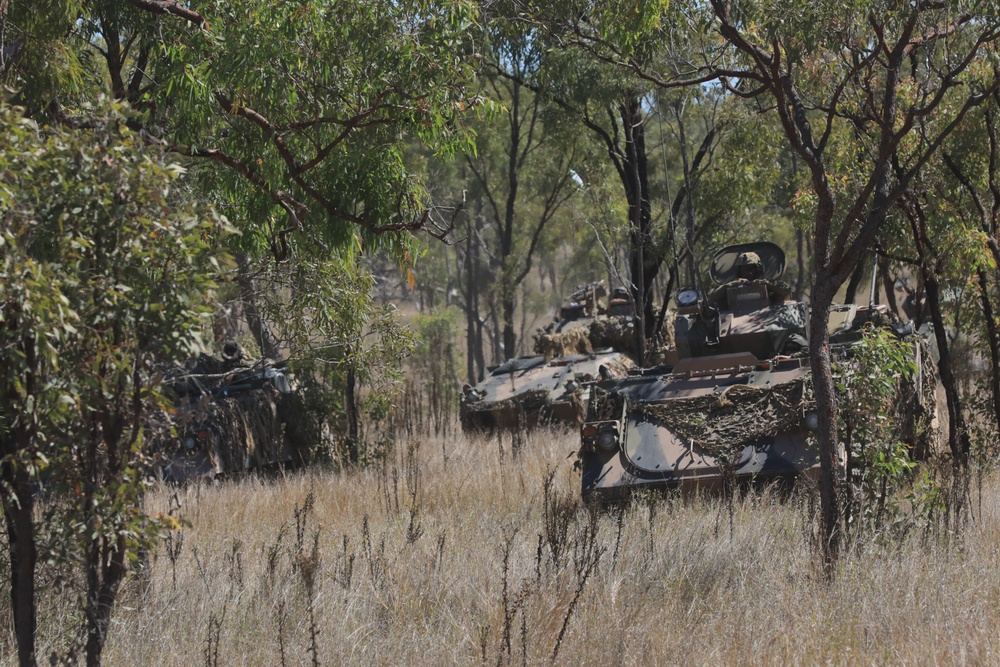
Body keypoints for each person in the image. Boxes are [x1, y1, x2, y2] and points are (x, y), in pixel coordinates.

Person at [708, 251, 791, 309]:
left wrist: (766, 283)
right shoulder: (733, 287)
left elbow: (786, 290)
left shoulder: (767, 284)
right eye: (743, 270)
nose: (748, 273)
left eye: (751, 269)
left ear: (759, 269)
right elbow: (711, 297)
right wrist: (730, 285)